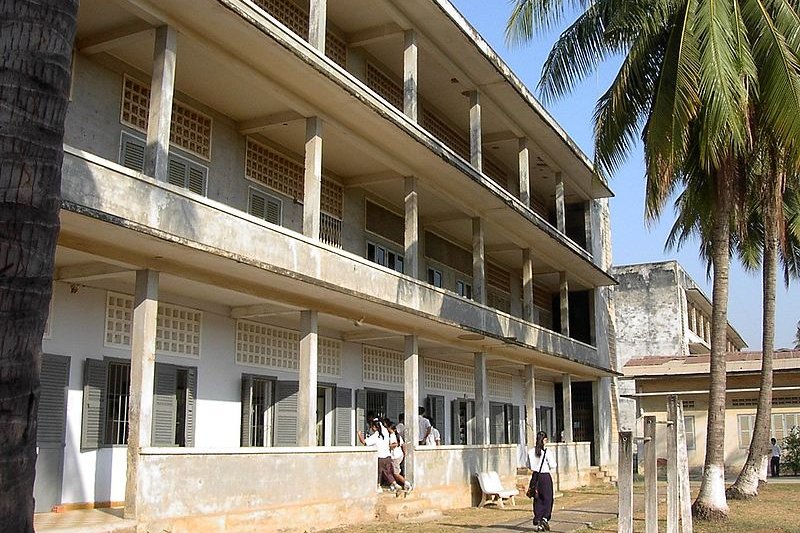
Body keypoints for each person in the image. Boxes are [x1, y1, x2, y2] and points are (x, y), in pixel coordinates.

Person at [358, 418, 402, 493]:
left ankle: (378, 486)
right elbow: (381, 425)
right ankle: (395, 484)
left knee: (379, 473)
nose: (372, 428)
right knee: (388, 473)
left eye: (372, 427)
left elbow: (364, 442)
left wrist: (359, 434)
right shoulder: (385, 432)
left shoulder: (376, 436)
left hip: (380, 457)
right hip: (388, 456)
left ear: (375, 427)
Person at [528, 431, 557, 532]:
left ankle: (539, 519)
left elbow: (529, 465)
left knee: (537, 499)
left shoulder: (531, 452)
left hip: (535, 477)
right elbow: (553, 465)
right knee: (548, 498)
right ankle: (545, 518)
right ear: (544, 440)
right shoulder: (547, 452)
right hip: (545, 477)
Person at [387, 423, 412, 492]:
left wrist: (387, 446)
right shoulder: (397, 436)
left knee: (396, 473)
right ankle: (394, 485)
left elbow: (395, 444)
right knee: (392, 472)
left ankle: (407, 483)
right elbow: (403, 445)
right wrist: (404, 454)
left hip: (395, 456)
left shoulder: (392, 436)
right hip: (399, 455)